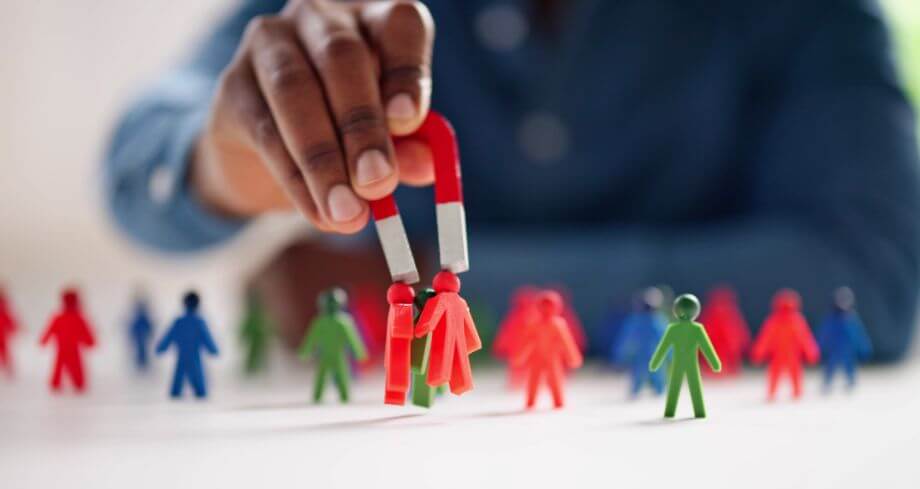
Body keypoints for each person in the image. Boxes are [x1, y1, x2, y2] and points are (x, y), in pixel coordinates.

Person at [105, 0, 920, 361]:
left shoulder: (807, 15)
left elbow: (870, 278)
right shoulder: (351, 7)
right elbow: (136, 165)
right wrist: (224, 164)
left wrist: (441, 283)